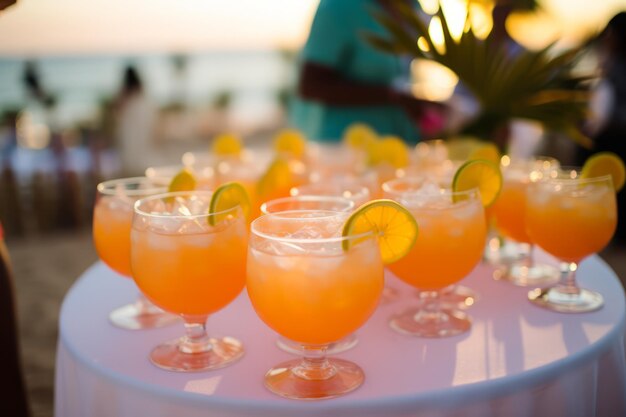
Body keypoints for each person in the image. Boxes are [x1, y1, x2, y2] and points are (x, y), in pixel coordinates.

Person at [290, 0, 444, 144]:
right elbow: (311, 85)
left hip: (399, 147)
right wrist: (395, 98)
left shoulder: (414, 7)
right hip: (346, 148)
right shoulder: (339, 6)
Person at [579, 12, 626, 243]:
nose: (606, 38)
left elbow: (604, 113)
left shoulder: (616, 65)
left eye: (610, 33)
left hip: (613, 142)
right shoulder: (610, 61)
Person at [113, 65, 157, 176]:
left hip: (130, 134)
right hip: (140, 136)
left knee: (131, 159)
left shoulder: (126, 94)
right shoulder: (142, 94)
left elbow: (118, 110)